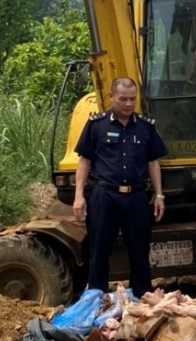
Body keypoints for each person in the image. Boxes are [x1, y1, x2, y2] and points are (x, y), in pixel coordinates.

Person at [72, 77, 168, 298]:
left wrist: (159, 195)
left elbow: (153, 161)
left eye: (132, 99)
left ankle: (142, 299)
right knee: (99, 250)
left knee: (140, 251)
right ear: (111, 97)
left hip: (136, 197)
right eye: (123, 99)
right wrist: (79, 196)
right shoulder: (97, 124)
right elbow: (84, 161)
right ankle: (96, 299)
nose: (128, 104)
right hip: (105, 196)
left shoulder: (145, 126)